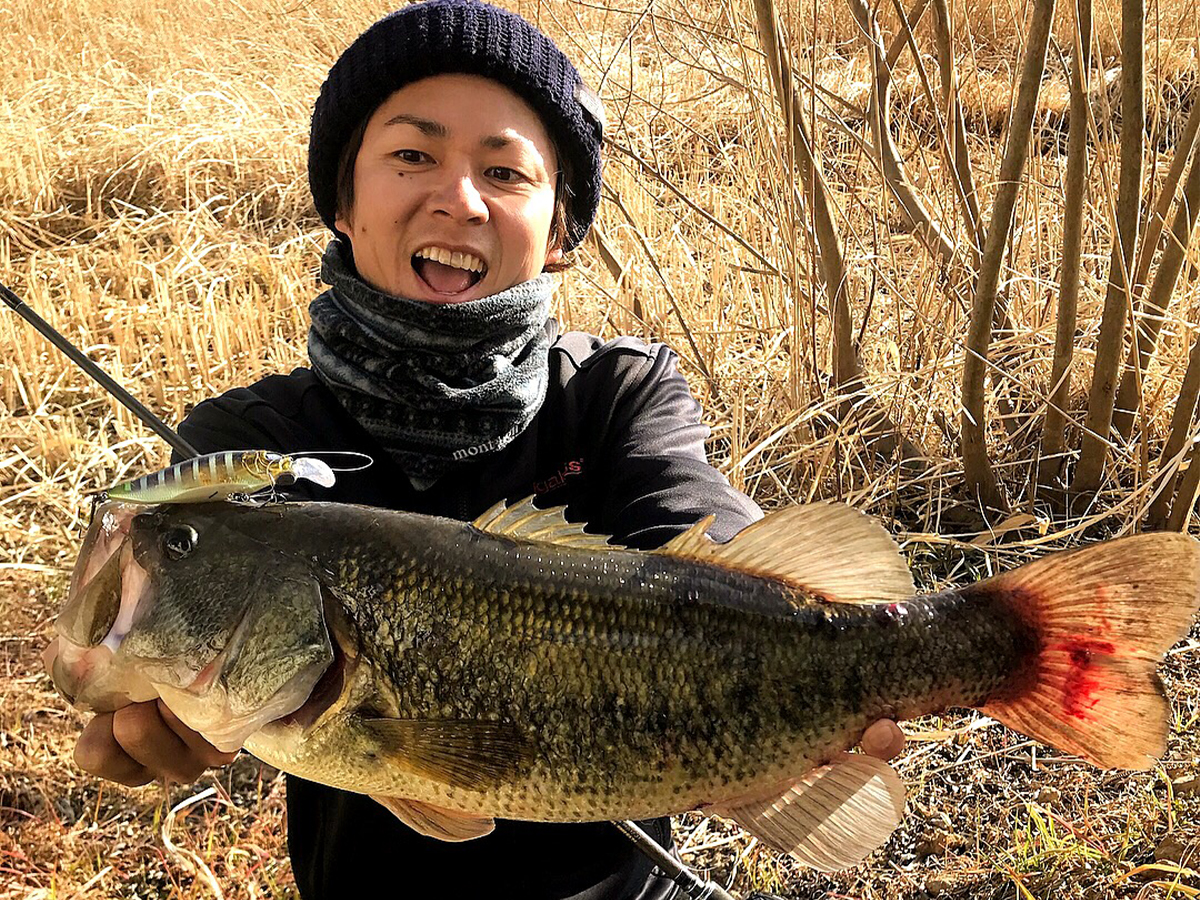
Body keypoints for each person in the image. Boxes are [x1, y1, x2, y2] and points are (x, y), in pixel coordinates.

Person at [71, 3, 905, 897]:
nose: (459, 198)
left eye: (504, 171)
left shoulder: (617, 393)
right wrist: (125, 702)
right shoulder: (249, 451)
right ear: (343, 202)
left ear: (558, 234)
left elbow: (703, 526)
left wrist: (817, 653)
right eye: (412, 155)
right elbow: (120, 642)